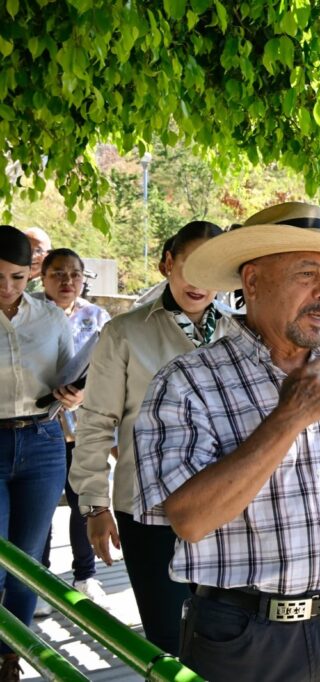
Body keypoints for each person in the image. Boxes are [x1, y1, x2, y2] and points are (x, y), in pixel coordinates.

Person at [133, 202, 320, 682]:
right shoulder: (185, 381)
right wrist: (286, 418)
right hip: (242, 637)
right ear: (254, 281)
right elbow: (189, 520)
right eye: (307, 274)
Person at [70, 221, 228, 655]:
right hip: (147, 506)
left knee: (224, 636)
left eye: (210, 268)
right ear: (167, 264)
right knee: (165, 640)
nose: (198, 280)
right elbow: (97, 421)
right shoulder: (124, 332)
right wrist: (95, 505)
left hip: (227, 507)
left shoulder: (238, 334)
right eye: (189, 265)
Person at [0, 225, 81, 682]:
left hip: (43, 441)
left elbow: (72, 375)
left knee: (28, 560)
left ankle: (11, 655)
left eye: (16, 277)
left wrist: (73, 395)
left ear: (29, 275)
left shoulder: (50, 319)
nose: (7, 288)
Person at [36, 248, 112, 609]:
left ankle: (85, 576)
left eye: (74, 274)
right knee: (42, 508)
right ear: (43, 278)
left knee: (86, 503)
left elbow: (112, 370)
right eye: (58, 274)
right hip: (40, 428)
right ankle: (41, 578)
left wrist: (85, 395)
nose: (67, 281)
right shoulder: (31, 315)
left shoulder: (97, 318)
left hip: (84, 429)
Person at [23, 226, 51, 294]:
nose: (32, 256)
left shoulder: (52, 284)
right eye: (27, 249)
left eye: (39, 251)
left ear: (48, 254)